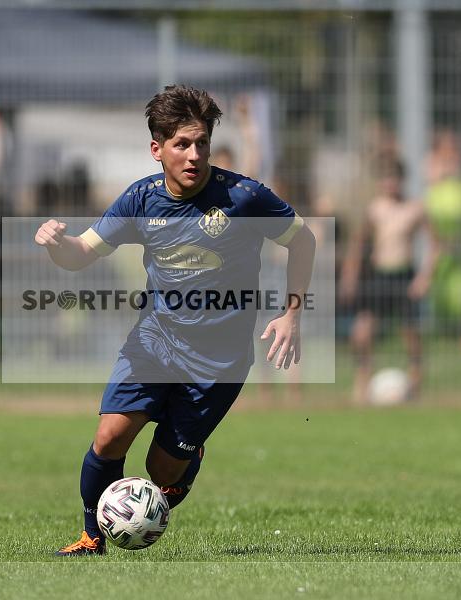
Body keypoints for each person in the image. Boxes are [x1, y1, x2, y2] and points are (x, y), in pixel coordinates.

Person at [35, 85, 316, 555]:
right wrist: (55, 244)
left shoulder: (243, 197)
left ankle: (187, 459)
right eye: (182, 144)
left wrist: (291, 314)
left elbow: (302, 241)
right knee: (109, 437)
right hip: (155, 341)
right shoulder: (141, 200)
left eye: (201, 142)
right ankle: (90, 536)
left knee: (163, 471)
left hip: (219, 360)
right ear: (157, 149)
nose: (194, 154)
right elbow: (81, 253)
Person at [339, 159, 439, 405]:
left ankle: (414, 386)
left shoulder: (415, 209)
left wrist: (424, 278)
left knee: (411, 335)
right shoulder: (375, 209)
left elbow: (436, 246)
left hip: (404, 276)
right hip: (379, 275)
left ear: (402, 180)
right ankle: (362, 379)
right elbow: (358, 244)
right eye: (385, 178)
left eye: (394, 178)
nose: (389, 183)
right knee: (362, 332)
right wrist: (349, 277)